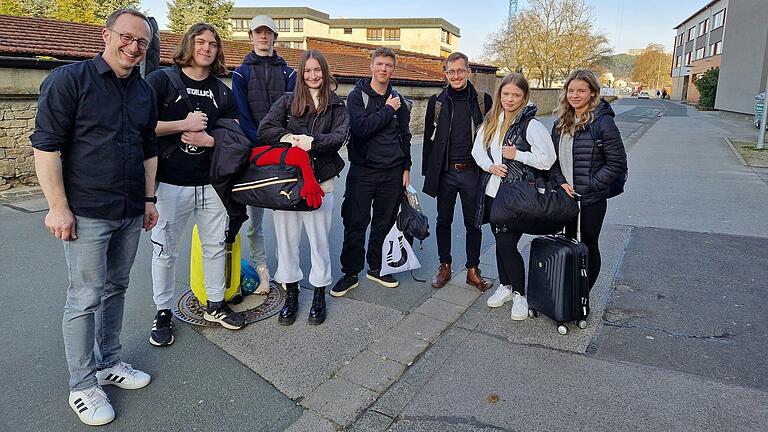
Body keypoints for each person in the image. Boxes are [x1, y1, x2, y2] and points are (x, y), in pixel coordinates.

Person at [31, 8, 157, 426]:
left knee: (116, 288)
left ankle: (109, 362)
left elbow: (148, 149)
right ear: (106, 35)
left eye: (142, 42)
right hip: (85, 212)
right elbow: (46, 146)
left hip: (128, 209)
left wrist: (149, 199)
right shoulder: (70, 81)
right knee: (84, 298)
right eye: (127, 37)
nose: (133, 47)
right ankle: (83, 385)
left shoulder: (142, 91)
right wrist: (57, 207)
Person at [145, 23, 245, 346]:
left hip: (210, 184)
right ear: (189, 44)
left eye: (213, 44)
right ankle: (163, 312)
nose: (206, 48)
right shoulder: (162, 80)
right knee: (165, 250)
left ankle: (215, 304)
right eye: (200, 42)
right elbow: (140, 125)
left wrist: (210, 140)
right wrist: (182, 125)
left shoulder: (222, 92)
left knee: (215, 246)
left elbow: (235, 137)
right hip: (170, 183)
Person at [258, 49, 349, 325]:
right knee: (286, 241)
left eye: (317, 70)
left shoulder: (336, 105)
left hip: (321, 181)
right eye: (307, 71)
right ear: (301, 73)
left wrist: (311, 142)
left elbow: (339, 137)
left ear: (325, 72)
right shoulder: (287, 100)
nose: (312, 75)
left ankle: (319, 294)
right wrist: (289, 137)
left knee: (319, 241)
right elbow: (265, 130)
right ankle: (292, 294)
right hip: (287, 181)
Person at [471, 73, 556, 321]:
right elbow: (477, 151)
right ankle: (506, 287)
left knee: (507, 244)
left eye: (516, 95)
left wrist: (517, 154)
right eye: (506, 94)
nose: (510, 99)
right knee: (500, 242)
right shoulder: (492, 120)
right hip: (492, 192)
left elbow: (547, 160)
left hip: (516, 195)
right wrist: (490, 166)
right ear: (500, 94)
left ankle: (520, 294)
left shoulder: (532, 126)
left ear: (524, 97)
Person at [331, 47, 412, 296]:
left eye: (388, 65)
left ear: (393, 69)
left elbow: (405, 136)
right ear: (371, 66)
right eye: (379, 64)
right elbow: (361, 128)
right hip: (363, 171)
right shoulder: (357, 96)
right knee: (355, 222)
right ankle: (350, 272)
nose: (383, 69)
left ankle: (376, 267)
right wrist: (387, 110)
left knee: (384, 223)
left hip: (392, 171)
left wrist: (406, 167)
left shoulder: (399, 99)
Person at [232, 15, 296, 293]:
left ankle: (288, 270)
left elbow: (294, 112)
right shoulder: (240, 73)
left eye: (268, 32)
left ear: (274, 38)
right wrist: (259, 142)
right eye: (258, 32)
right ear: (251, 36)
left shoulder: (290, 74)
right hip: (255, 153)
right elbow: (241, 114)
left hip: (282, 152)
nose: (263, 37)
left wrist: (281, 140)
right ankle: (262, 270)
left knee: (287, 217)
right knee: (254, 221)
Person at [550, 69, 628, 291]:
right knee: (569, 244)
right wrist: (559, 182)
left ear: (593, 93)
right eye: (571, 90)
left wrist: (591, 186)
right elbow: (552, 161)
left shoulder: (602, 122)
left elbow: (617, 163)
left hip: (591, 200)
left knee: (588, 245)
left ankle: (583, 295)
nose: (574, 95)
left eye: (581, 91)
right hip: (566, 197)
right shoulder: (561, 122)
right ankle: (568, 293)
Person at [422, 52, 493, 291]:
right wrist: (428, 173)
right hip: (445, 173)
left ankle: (473, 270)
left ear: (468, 71)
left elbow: (492, 138)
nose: (456, 76)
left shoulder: (483, 100)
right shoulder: (437, 102)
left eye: (460, 71)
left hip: (473, 172)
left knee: (474, 223)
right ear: (445, 74)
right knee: (444, 220)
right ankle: (445, 266)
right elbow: (429, 141)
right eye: (451, 72)